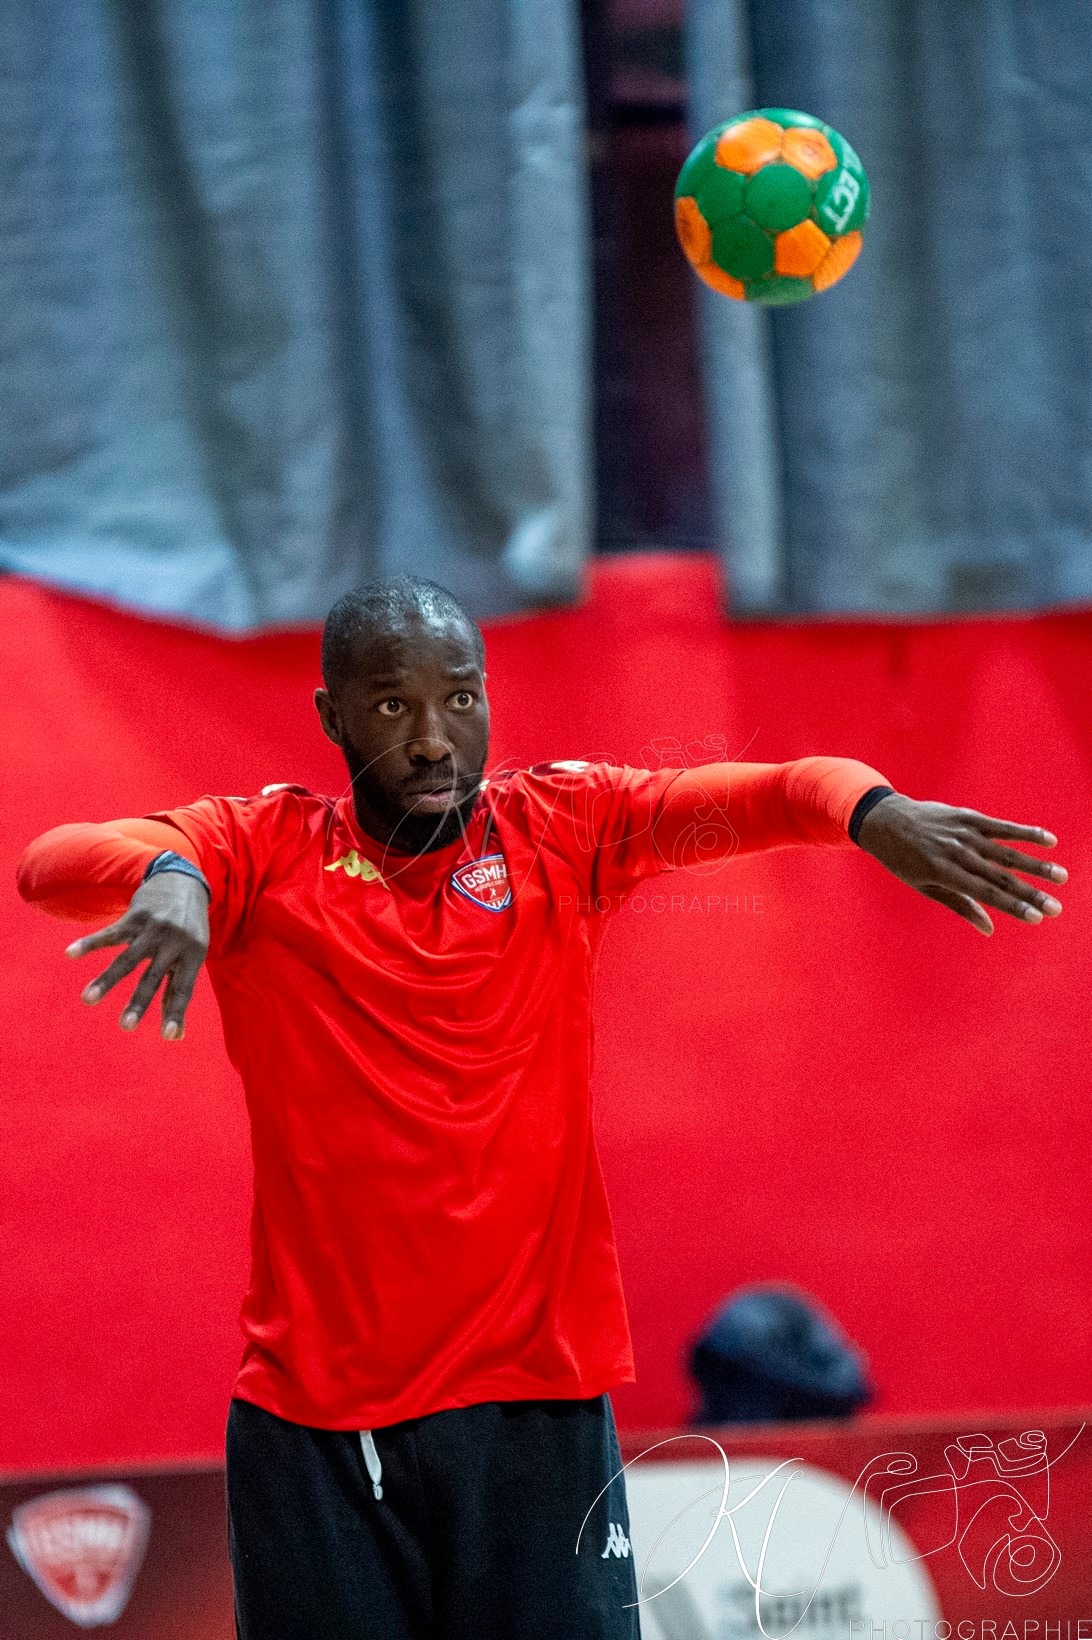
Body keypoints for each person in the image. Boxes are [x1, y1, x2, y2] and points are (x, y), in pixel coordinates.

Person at [17, 575, 1066, 1640]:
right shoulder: (260, 852)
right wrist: (169, 872)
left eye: (460, 697)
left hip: (539, 1408)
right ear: (331, 715)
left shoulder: (563, 828)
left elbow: (779, 789)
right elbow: (45, 867)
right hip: (320, 1427)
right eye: (391, 705)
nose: (434, 738)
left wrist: (870, 812)